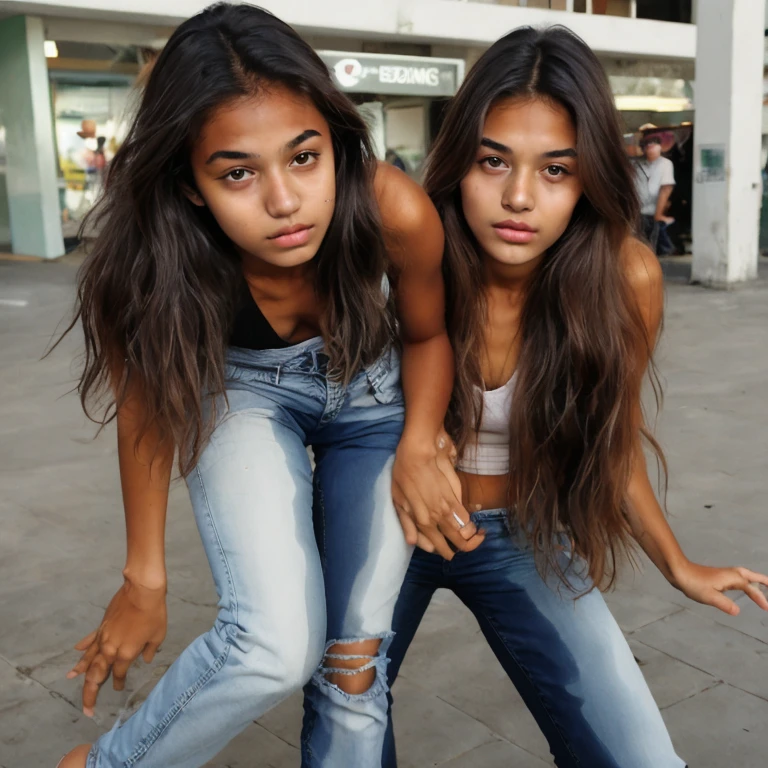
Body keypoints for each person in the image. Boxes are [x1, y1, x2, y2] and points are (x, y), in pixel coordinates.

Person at [55, 4, 483, 767]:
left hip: (373, 394)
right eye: (238, 173)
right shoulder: (148, 269)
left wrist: (421, 439)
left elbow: (425, 332)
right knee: (274, 647)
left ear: (334, 143)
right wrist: (143, 577)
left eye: (304, 158)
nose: (284, 203)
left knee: (355, 667)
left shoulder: (392, 208)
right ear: (189, 183)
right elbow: (147, 410)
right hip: (241, 393)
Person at [383, 26, 768, 768]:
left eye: (556, 170)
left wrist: (676, 562)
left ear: (589, 176)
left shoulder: (625, 278)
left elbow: (612, 441)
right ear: (459, 159)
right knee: (346, 724)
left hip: (520, 533)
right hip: (384, 521)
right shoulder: (404, 256)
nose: (519, 197)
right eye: (493, 160)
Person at [634, 132, 676, 254]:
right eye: (648, 145)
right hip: (638, 213)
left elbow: (666, 189)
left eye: (655, 144)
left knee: (652, 245)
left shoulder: (665, 164)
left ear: (660, 147)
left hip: (652, 214)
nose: (651, 148)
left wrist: (658, 215)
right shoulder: (637, 165)